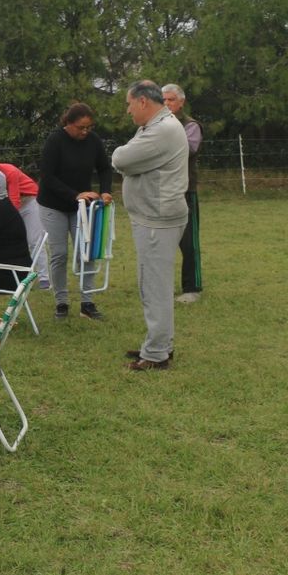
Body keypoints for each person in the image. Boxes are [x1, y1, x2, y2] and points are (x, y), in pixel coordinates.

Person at [111, 80, 189, 371]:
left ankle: (157, 354)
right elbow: (128, 158)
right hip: (155, 217)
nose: (128, 110)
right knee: (154, 284)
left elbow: (121, 157)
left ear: (143, 102)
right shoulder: (155, 126)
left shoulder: (162, 130)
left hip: (158, 219)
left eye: (129, 104)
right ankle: (158, 345)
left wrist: (125, 159)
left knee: (154, 287)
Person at [36, 102, 114, 321]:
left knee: (87, 252)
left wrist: (105, 191)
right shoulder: (55, 141)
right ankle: (61, 302)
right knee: (60, 254)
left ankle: (87, 303)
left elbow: (105, 168)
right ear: (68, 124)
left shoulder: (94, 141)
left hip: (82, 207)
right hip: (53, 205)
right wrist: (75, 194)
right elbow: (47, 177)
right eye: (81, 127)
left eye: (89, 127)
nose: (85, 131)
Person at [0, 144, 48, 286]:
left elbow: (13, 201)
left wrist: (2, 223)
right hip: (3, 205)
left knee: (33, 239)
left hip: (29, 200)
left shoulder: (10, 172)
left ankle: (44, 277)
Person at [161, 83, 203, 302]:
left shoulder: (191, 125)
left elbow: (186, 150)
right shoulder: (155, 124)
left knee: (189, 242)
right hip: (161, 191)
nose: (167, 103)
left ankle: (192, 288)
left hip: (185, 191)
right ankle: (162, 287)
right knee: (162, 242)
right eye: (164, 100)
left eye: (171, 99)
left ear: (181, 102)